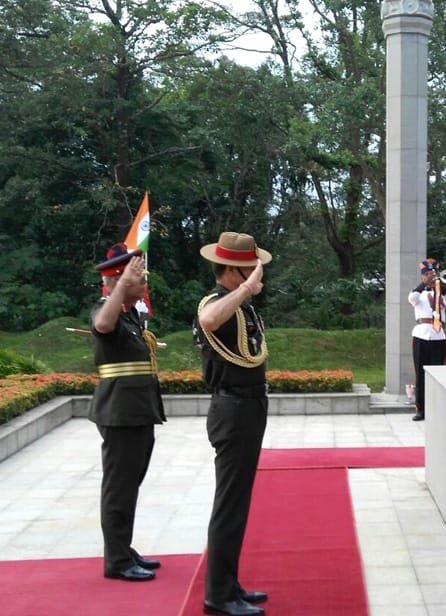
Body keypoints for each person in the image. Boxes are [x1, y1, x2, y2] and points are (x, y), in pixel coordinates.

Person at [194, 232, 272, 616]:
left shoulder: (241, 309)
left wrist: (246, 295)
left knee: (237, 503)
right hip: (233, 410)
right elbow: (209, 319)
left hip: (249, 408)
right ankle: (218, 596)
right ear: (231, 269)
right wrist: (246, 291)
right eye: (249, 267)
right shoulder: (216, 302)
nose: (256, 274)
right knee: (229, 505)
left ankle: (228, 583)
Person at [88, 243, 165, 582]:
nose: (144, 282)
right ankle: (116, 561)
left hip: (138, 412)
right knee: (119, 488)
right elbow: (104, 326)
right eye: (139, 278)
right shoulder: (107, 310)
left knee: (130, 484)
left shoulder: (132, 315)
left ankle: (124, 548)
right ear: (118, 281)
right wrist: (120, 287)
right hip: (120, 414)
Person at [408, 258, 446, 421]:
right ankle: (421, 408)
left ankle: (436, 408)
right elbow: (412, 299)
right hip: (421, 333)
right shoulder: (418, 294)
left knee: (438, 372)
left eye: (432, 273)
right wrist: (424, 284)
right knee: (420, 373)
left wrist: (441, 285)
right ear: (422, 276)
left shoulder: (440, 293)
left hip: (438, 335)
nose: (430, 276)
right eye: (427, 274)